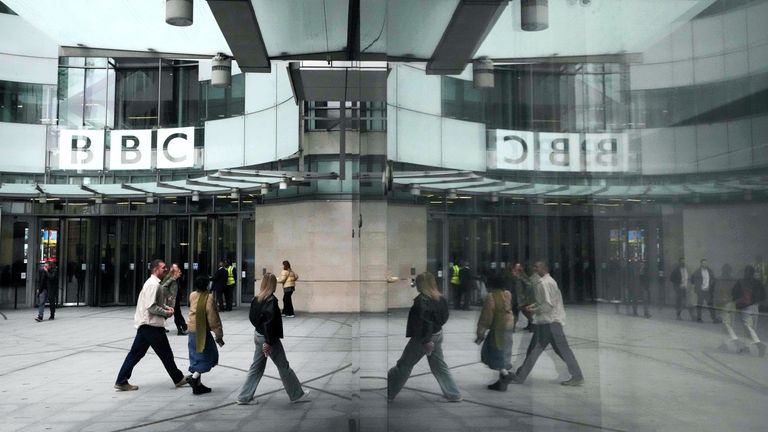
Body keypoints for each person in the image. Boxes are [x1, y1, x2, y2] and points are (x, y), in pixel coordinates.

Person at [114, 259, 190, 391]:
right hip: (151, 325)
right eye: (163, 268)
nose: (165, 270)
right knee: (165, 353)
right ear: (155, 269)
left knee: (135, 354)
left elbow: (156, 303)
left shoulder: (154, 284)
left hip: (147, 325)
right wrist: (166, 313)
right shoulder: (153, 285)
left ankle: (121, 380)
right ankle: (178, 378)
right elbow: (151, 307)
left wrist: (166, 308)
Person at [236, 273, 310, 405]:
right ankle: (297, 394)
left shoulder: (256, 299)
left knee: (256, 367)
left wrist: (261, 333)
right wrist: (268, 342)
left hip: (258, 335)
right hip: (269, 339)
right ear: (272, 284)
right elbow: (270, 323)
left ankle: (244, 396)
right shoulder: (271, 300)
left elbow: (253, 319)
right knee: (283, 366)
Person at [387, 272, 462, 402]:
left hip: (423, 339)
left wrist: (427, 340)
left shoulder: (422, 301)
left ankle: (389, 393)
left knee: (404, 365)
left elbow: (424, 322)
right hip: (437, 335)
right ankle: (453, 394)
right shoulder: (441, 298)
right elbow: (444, 318)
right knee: (439, 366)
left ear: (421, 285)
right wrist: (434, 332)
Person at [511, 261, 584, 386]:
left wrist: (533, 310)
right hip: (552, 322)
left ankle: (520, 376)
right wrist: (534, 306)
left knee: (534, 350)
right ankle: (577, 376)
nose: (534, 269)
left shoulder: (544, 283)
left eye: (536, 267)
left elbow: (547, 305)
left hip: (548, 323)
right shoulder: (550, 281)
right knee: (561, 351)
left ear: (543, 268)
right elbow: (547, 301)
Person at [476, 274, 515, 391]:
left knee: (496, 351)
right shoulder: (507, 294)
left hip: (498, 327)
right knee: (504, 351)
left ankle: (505, 375)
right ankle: (502, 380)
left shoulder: (491, 297)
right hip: (509, 326)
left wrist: (480, 333)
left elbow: (486, 316)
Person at [187, 275, 225, 395]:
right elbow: (213, 318)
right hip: (201, 331)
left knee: (196, 356)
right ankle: (193, 378)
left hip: (192, 330)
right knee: (208, 355)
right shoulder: (209, 298)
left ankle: (197, 386)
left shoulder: (192, 295)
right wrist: (219, 333)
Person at [724, 265, 766, 357]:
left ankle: (758, 343)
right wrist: (756, 301)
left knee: (747, 326)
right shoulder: (757, 282)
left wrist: (737, 301)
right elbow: (763, 295)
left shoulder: (741, 281)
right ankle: (747, 346)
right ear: (753, 273)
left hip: (746, 306)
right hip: (755, 306)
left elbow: (733, 292)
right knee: (752, 327)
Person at [162, 263, 188, 335]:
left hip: (176, 299)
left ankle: (182, 328)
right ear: (172, 269)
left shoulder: (176, 277)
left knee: (175, 314)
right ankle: (183, 328)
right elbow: (163, 286)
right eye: (176, 268)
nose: (178, 269)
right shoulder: (169, 277)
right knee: (177, 314)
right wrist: (169, 295)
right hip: (172, 300)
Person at [690, 259, 719, 323]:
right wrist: (697, 286)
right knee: (700, 305)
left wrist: (711, 288)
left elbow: (713, 280)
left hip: (708, 291)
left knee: (710, 305)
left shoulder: (710, 271)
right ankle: (699, 319)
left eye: (706, 263)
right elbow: (692, 279)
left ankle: (714, 319)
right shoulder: (697, 272)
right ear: (701, 264)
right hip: (701, 291)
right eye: (703, 263)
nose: (705, 264)